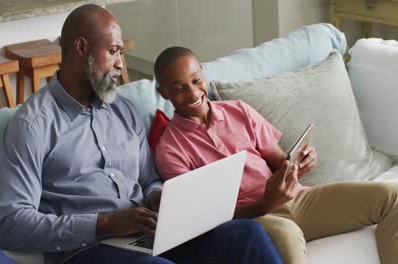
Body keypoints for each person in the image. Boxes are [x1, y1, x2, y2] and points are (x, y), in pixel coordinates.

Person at [0, 5, 283, 264]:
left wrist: (157, 197)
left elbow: (148, 179)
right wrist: (104, 223)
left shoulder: (123, 109)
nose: (121, 64)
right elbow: (11, 226)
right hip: (89, 249)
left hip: (148, 236)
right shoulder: (32, 125)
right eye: (114, 51)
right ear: (81, 48)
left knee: (246, 234)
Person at [153, 46, 398, 264]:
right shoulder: (170, 150)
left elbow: (280, 159)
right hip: (255, 220)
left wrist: (298, 165)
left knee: (392, 196)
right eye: (179, 89)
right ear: (163, 92)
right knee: (286, 233)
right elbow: (204, 222)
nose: (194, 93)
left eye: (196, 80)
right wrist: (265, 203)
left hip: (298, 200)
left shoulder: (238, 111)